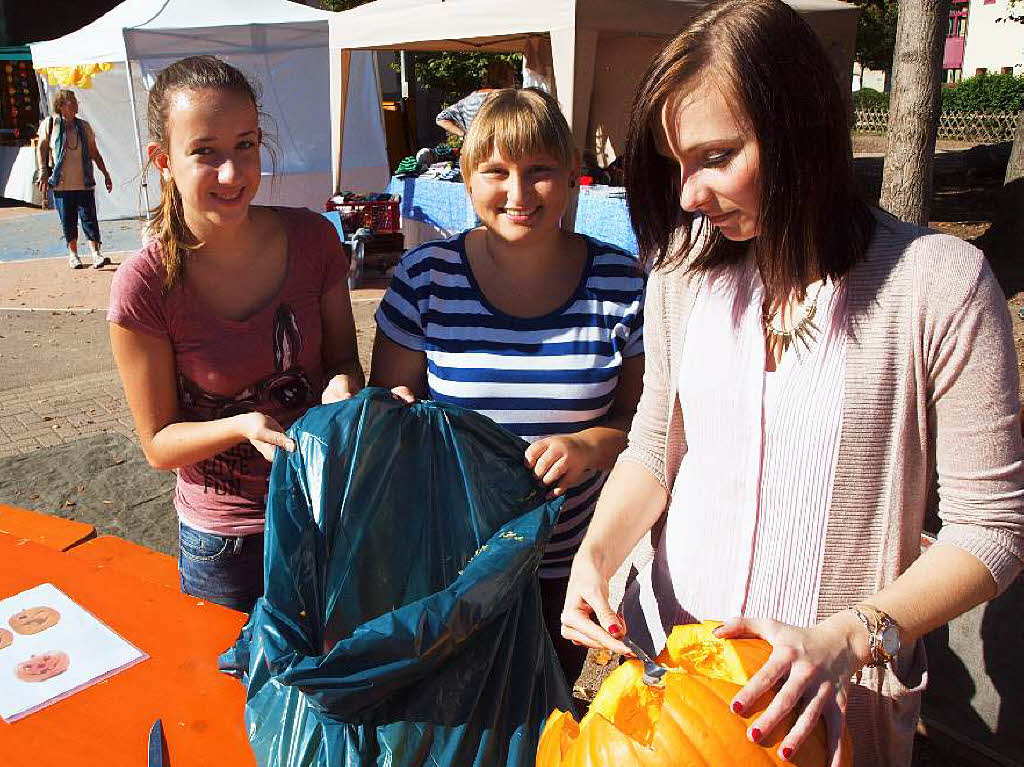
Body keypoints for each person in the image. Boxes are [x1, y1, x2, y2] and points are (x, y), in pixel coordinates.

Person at [559, 2, 1024, 765]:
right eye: (677, 162)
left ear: (799, 128)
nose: (688, 195)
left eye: (715, 156)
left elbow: (992, 529)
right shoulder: (680, 274)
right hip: (660, 683)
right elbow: (654, 445)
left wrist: (850, 636)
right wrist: (597, 555)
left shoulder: (938, 285)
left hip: (826, 710)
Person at [371, 87, 646, 688]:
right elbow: (388, 416)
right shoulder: (425, 278)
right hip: (452, 566)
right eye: (496, 171)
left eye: (539, 171)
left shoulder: (620, 282)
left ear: (574, 179)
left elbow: (645, 425)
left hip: (567, 569)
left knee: (549, 724)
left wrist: (588, 445)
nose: (518, 194)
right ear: (466, 181)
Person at [107, 56, 364, 613]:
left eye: (245, 145)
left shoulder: (313, 239)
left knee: (333, 689)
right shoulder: (145, 284)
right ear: (163, 160)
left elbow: (343, 358)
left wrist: (342, 389)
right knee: (233, 696)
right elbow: (157, 444)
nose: (232, 173)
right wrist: (243, 424)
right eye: (204, 151)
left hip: (325, 515)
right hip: (226, 543)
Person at [36, 89, 114, 269]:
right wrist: (42, 170)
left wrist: (105, 173)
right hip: (62, 185)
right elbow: (41, 147)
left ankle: (96, 254)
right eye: (72, 101)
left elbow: (94, 152)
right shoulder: (50, 124)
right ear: (62, 106)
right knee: (68, 220)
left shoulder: (84, 126)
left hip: (83, 182)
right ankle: (73, 255)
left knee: (89, 218)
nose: (77, 103)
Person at [434, 60, 518, 138]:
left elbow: (441, 119)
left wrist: (464, 134)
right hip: (500, 151)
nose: (515, 81)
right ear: (505, 79)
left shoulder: (468, 100)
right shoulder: (507, 100)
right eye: (513, 77)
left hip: (472, 150)